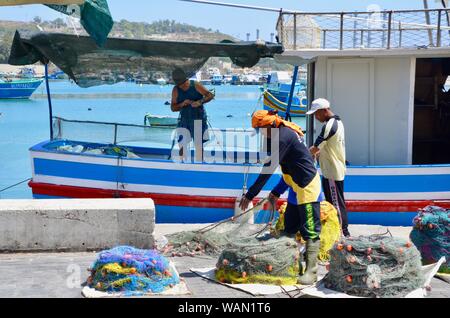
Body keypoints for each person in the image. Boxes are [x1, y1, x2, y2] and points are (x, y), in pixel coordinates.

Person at [239, 110, 322, 285]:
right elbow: (284, 167)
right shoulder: (276, 133)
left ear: (267, 125)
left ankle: (312, 271)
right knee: (289, 227)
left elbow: (268, 169)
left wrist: (250, 194)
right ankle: (291, 263)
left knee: (310, 229)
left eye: (259, 129)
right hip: (294, 184)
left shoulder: (283, 136)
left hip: (307, 186)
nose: (259, 133)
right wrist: (276, 192)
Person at [307, 98, 350, 237]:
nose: (315, 117)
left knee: (336, 204)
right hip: (330, 170)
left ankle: (344, 232)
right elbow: (326, 146)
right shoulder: (338, 122)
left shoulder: (329, 126)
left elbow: (315, 147)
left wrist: (300, 156)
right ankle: (337, 231)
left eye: (316, 114)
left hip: (332, 171)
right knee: (333, 202)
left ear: (324, 111)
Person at [171, 68, 214, 161]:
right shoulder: (175, 90)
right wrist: (182, 104)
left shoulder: (195, 85)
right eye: (179, 85)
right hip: (184, 119)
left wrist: (200, 102)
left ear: (186, 80)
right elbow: (173, 108)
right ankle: (182, 164)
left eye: (183, 84)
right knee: (182, 144)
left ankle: (199, 165)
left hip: (198, 118)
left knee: (198, 145)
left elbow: (210, 95)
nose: (182, 86)